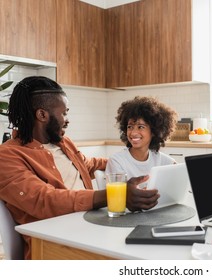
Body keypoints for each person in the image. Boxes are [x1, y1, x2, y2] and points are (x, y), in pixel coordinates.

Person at [0, 76, 159, 259]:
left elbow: (89, 164)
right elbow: (44, 200)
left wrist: (137, 161)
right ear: (42, 115)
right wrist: (117, 195)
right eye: (64, 113)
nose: (67, 120)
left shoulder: (63, 143)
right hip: (54, 244)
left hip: (91, 228)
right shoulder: (7, 155)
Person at [105, 96, 178, 179]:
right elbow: (118, 191)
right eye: (130, 127)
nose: (133, 133)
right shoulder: (117, 161)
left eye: (141, 127)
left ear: (154, 131)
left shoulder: (164, 161)